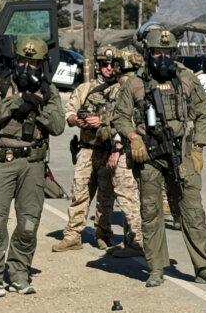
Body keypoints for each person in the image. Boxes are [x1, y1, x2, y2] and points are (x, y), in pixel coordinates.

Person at [113, 25, 206, 288]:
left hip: (181, 153)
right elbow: (120, 116)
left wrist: (198, 146)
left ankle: (203, 268)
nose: (163, 57)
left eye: (168, 51)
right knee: (151, 213)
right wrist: (133, 137)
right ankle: (155, 268)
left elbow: (203, 113)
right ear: (147, 52)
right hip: (150, 156)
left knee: (192, 212)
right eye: (157, 52)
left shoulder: (186, 78)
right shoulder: (135, 83)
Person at [0, 36, 65, 299]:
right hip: (3, 161)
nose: (28, 67)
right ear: (16, 60)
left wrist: (37, 107)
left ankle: (19, 273)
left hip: (33, 164)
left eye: (34, 62)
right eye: (23, 61)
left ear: (41, 65)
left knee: (28, 224)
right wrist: (18, 101)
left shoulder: (48, 91)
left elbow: (59, 126)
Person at [52, 45, 143, 256]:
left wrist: (101, 121)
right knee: (80, 191)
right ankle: (72, 235)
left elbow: (126, 118)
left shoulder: (123, 88)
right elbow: (70, 112)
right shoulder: (86, 89)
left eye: (112, 65)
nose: (108, 69)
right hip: (87, 147)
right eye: (104, 65)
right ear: (98, 66)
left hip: (110, 148)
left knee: (106, 197)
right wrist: (78, 120)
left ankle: (103, 234)